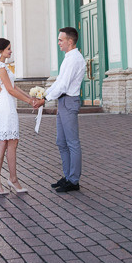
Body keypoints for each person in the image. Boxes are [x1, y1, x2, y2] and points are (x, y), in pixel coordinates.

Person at [0, 38, 43, 195]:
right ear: (1, 51)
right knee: (9, 142)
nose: (11, 51)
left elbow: (14, 87)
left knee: (6, 142)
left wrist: (31, 98)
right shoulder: (0, 67)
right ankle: (11, 179)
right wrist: (29, 102)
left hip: (6, 104)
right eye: (8, 49)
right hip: (7, 105)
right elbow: (10, 90)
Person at [43, 27, 86, 193]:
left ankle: (73, 180)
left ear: (70, 41)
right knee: (61, 141)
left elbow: (63, 85)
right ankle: (68, 176)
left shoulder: (75, 59)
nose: (58, 42)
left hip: (69, 101)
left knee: (72, 142)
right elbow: (58, 82)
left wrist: (45, 99)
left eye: (61, 40)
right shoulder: (68, 58)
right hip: (62, 102)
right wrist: (44, 94)